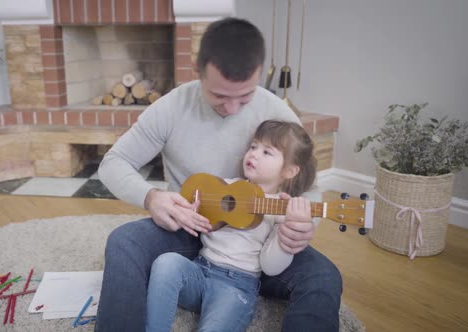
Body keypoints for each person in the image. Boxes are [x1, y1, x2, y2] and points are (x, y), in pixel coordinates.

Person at [96, 17, 342, 332]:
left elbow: (309, 187)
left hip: (262, 243)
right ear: (197, 71)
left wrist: (302, 226)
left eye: (246, 96)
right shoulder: (171, 107)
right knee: (123, 242)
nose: (234, 108)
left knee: (323, 276)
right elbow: (113, 162)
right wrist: (151, 197)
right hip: (193, 229)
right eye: (220, 96)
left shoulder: (278, 115)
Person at [145, 120, 317, 332]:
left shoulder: (282, 210)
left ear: (289, 171)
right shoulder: (225, 185)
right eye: (253, 147)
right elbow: (197, 204)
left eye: (267, 152)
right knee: (166, 262)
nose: (254, 154)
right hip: (199, 270)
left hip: (236, 287)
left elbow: (271, 267)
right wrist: (192, 211)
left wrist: (286, 233)